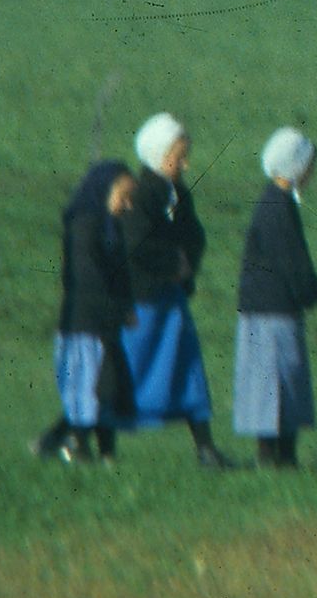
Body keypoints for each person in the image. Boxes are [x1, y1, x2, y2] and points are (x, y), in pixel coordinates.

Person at [118, 113, 232, 469]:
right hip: (144, 300)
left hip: (172, 301)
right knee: (125, 370)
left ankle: (205, 448)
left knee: (188, 369)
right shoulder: (142, 194)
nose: (185, 163)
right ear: (156, 153)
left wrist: (186, 266)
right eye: (177, 156)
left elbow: (194, 235)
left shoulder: (176, 192)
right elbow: (136, 243)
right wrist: (174, 262)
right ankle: (80, 436)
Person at [36, 159, 140, 463]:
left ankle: (105, 452)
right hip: (85, 322)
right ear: (105, 190)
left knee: (106, 390)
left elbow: (120, 273)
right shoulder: (84, 225)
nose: (128, 205)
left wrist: (125, 305)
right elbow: (89, 276)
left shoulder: (111, 227)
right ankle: (77, 446)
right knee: (87, 390)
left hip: (105, 323)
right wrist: (117, 309)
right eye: (124, 196)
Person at [233, 126, 317, 469]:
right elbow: (290, 260)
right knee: (275, 382)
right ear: (297, 166)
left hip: (271, 307)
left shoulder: (276, 201)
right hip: (271, 310)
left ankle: (281, 452)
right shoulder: (277, 207)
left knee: (278, 381)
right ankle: (273, 455)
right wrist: (309, 291)